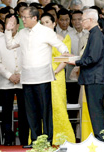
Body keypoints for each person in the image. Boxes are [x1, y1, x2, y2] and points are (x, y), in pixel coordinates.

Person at [5, 6, 69, 147]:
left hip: (42, 77)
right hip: (27, 77)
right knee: (31, 111)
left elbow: (60, 45)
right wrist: (8, 29)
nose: (23, 20)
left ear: (34, 18)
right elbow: (9, 45)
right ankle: (35, 140)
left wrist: (65, 52)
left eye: (25, 17)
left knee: (45, 111)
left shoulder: (46, 31)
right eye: (22, 17)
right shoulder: (22, 33)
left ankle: (46, 140)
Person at [67, 9, 104, 141]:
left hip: (95, 78)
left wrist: (76, 61)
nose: (80, 22)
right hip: (94, 77)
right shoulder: (94, 33)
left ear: (91, 20)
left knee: (96, 111)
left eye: (83, 19)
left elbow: (93, 58)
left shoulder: (96, 34)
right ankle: (101, 139)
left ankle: (101, 140)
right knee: (95, 110)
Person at [40, 13, 76, 144]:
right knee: (44, 108)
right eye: (42, 23)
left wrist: (54, 72)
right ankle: (45, 137)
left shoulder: (62, 38)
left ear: (54, 24)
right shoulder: (39, 39)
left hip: (56, 75)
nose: (44, 25)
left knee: (58, 106)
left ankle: (63, 138)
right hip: (42, 75)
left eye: (47, 22)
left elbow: (65, 58)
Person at [0, 13, 29, 146]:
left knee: (24, 112)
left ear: (18, 26)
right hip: (5, 82)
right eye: (9, 23)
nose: (11, 26)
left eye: (14, 24)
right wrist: (10, 76)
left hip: (23, 80)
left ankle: (25, 139)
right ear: (4, 25)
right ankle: (8, 139)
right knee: (6, 112)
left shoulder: (24, 38)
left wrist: (20, 74)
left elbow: (28, 58)